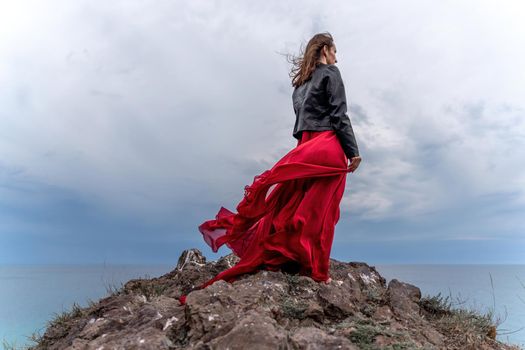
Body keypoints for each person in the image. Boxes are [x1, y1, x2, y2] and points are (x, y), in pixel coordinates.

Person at [178, 32, 361, 305]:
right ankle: (317, 272)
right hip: (328, 146)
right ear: (324, 50)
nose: (337, 57)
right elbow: (339, 113)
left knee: (294, 205)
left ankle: (298, 260)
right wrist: (353, 150)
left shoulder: (299, 86)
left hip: (305, 147)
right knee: (321, 211)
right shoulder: (330, 73)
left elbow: (304, 122)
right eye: (335, 51)